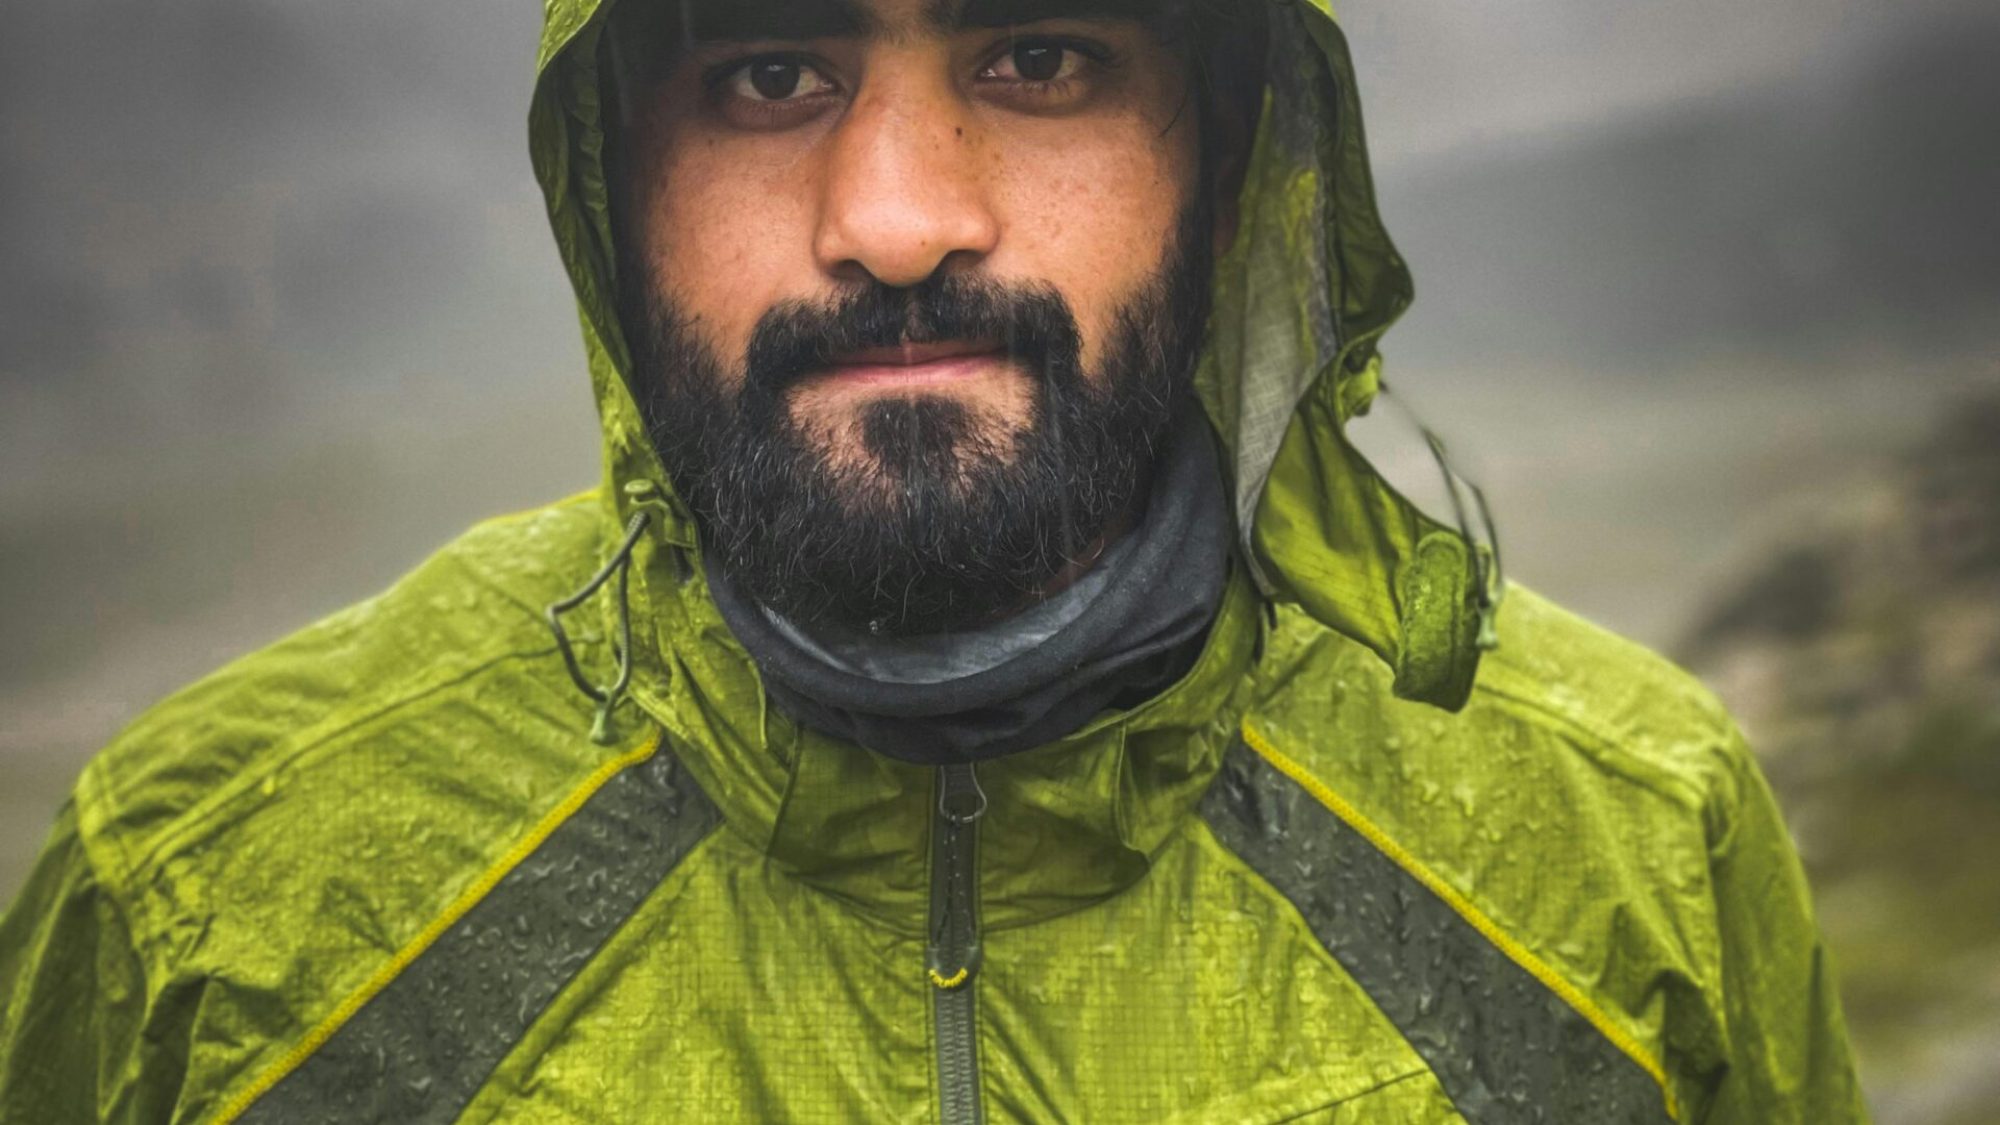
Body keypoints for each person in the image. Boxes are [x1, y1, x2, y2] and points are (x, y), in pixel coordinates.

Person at [0, 0, 1866, 1120]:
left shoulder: (1631, 841)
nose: (895, 219)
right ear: (607, 181)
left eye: (1039, 52)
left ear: (1224, 160)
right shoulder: (203, 902)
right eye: (767, 71)